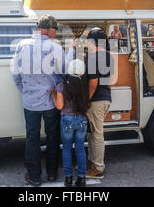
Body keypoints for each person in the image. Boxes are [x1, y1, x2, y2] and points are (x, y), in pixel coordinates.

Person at [11, 15, 65, 186]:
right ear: (48, 29)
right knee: (52, 137)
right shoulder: (54, 47)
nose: (56, 33)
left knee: (32, 138)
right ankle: (52, 174)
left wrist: (24, 90)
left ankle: (34, 176)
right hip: (50, 101)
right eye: (55, 29)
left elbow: (15, 73)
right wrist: (57, 86)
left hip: (30, 102)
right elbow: (64, 71)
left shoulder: (22, 45)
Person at [50, 59, 90, 187]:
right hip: (82, 119)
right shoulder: (85, 85)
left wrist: (53, 95)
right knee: (80, 148)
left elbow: (59, 106)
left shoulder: (62, 86)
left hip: (67, 119)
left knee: (66, 149)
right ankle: (82, 178)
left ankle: (68, 178)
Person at [85, 28, 114, 179]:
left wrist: (86, 100)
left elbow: (93, 83)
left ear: (92, 42)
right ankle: (92, 162)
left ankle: (98, 168)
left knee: (96, 134)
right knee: (92, 133)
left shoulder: (93, 58)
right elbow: (109, 82)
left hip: (96, 100)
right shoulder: (110, 56)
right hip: (106, 98)